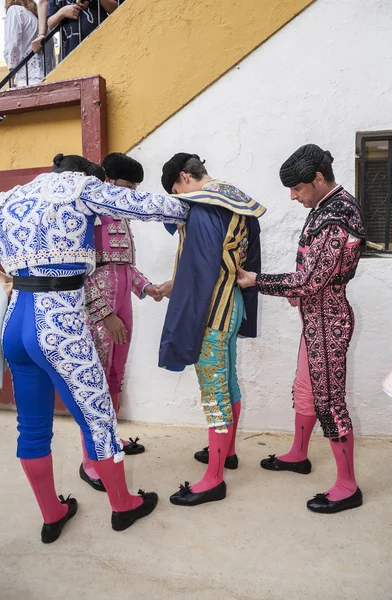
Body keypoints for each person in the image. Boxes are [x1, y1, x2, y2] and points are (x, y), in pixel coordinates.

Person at [0, 153, 188, 543]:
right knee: (99, 420)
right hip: (58, 322)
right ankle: (123, 506)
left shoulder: (11, 196)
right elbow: (150, 207)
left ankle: (52, 515)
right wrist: (202, 200)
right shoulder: (82, 188)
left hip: (16, 318)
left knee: (32, 427)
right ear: (92, 177)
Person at [237, 143, 366, 514]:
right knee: (306, 389)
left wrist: (256, 281)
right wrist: (299, 291)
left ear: (319, 179)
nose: (294, 197)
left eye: (297, 189)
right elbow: (310, 272)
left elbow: (310, 280)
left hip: (328, 321)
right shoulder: (326, 206)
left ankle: (347, 485)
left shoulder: (338, 213)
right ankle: (298, 455)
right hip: (316, 317)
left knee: (329, 402)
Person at [158, 153, 266, 507]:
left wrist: (184, 320)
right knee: (228, 380)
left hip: (212, 311)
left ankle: (214, 479)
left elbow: (202, 269)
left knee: (214, 390)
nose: (179, 200)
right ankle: (228, 453)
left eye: (177, 191)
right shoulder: (234, 196)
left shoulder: (203, 206)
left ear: (186, 178)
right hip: (232, 300)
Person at [80, 153, 162, 491]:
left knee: (115, 377)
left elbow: (125, 267)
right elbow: (80, 272)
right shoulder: (87, 213)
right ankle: (90, 461)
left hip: (122, 307)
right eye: (127, 187)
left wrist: (149, 287)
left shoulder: (120, 216)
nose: (130, 195)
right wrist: (106, 314)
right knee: (94, 386)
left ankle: (109, 443)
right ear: (109, 183)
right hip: (100, 314)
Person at [47, 0, 118, 60]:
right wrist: (62, 13)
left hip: (100, 46)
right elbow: (50, 23)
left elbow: (117, 8)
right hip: (69, 52)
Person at [4, 0, 44, 87]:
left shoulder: (14, 10)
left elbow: (13, 44)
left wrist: (12, 73)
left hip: (26, 78)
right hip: (44, 76)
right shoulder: (36, 19)